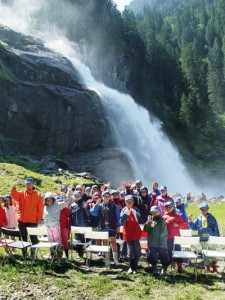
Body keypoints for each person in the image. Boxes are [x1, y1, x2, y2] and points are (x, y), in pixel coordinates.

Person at [11, 178, 44, 257]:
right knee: (23, 238)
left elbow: (40, 207)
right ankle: (24, 255)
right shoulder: (22, 193)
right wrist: (14, 187)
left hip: (33, 221)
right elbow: (14, 195)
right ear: (25, 184)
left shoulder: (38, 195)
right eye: (27, 183)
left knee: (33, 238)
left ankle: (33, 254)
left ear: (33, 184)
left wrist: (39, 218)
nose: (28, 185)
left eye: (30, 183)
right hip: (22, 221)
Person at [90, 190, 121, 266]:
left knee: (114, 242)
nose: (106, 198)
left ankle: (115, 260)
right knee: (105, 242)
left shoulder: (114, 206)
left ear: (110, 197)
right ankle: (107, 260)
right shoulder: (99, 206)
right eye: (105, 196)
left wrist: (118, 226)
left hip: (112, 226)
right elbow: (92, 212)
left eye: (108, 196)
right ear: (102, 197)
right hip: (103, 227)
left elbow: (118, 217)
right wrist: (96, 205)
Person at [188, 203, 220, 273]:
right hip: (202, 239)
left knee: (212, 252)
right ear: (200, 210)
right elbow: (194, 228)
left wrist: (216, 238)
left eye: (205, 209)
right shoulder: (198, 218)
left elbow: (215, 227)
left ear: (207, 209)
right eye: (201, 209)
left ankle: (214, 267)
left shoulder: (212, 217)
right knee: (205, 254)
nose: (203, 210)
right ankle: (207, 267)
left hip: (211, 239)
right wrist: (190, 221)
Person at [44, 192, 71, 260]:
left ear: (53, 199)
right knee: (51, 242)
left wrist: (65, 197)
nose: (49, 201)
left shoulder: (57, 205)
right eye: (47, 199)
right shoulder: (45, 207)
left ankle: (59, 257)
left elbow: (65, 203)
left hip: (55, 226)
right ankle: (53, 257)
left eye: (50, 199)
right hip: (48, 227)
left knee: (57, 242)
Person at [144, 206, 169, 276]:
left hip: (161, 242)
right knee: (152, 255)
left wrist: (161, 242)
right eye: (153, 212)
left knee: (163, 255)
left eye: (156, 212)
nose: (154, 213)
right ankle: (154, 267)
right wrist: (148, 222)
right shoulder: (151, 220)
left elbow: (164, 232)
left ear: (159, 212)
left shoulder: (162, 220)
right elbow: (146, 229)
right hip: (152, 242)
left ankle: (164, 268)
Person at [163, 201, 187, 273]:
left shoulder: (177, 216)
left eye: (169, 207)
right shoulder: (164, 217)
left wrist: (178, 225)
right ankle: (172, 266)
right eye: (166, 207)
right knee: (170, 252)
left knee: (178, 251)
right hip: (168, 237)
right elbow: (161, 227)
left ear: (173, 208)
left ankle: (180, 267)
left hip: (176, 238)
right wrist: (166, 222)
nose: (168, 208)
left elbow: (184, 225)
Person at [120, 195, 142, 274]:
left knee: (136, 250)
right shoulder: (123, 210)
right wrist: (126, 214)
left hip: (135, 233)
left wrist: (134, 212)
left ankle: (135, 268)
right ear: (125, 202)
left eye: (131, 201)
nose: (129, 203)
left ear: (133, 202)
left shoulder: (136, 209)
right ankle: (130, 267)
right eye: (127, 201)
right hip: (128, 233)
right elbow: (122, 222)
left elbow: (139, 219)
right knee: (130, 251)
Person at [70, 191, 90, 258]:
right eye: (75, 195)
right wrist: (71, 225)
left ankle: (86, 252)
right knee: (77, 240)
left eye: (78, 195)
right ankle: (80, 254)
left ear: (81, 196)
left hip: (83, 225)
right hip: (75, 226)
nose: (77, 197)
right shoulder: (72, 205)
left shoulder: (83, 204)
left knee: (83, 240)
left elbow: (87, 215)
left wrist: (86, 208)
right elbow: (71, 216)